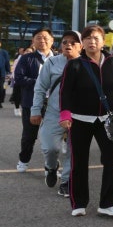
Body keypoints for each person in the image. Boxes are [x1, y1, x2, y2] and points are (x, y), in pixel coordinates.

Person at [59, 25, 113, 217]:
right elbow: (65, 91)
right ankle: (78, 202)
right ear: (83, 43)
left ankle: (107, 203)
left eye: (95, 38)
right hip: (80, 120)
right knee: (79, 161)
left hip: (107, 120)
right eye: (87, 38)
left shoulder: (112, 63)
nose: (91, 41)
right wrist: (65, 114)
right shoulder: (75, 64)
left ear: (103, 42)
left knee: (112, 159)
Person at [30, 31, 83, 195]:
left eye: (73, 42)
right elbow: (40, 88)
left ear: (81, 46)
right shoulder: (52, 63)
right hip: (54, 113)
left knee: (74, 151)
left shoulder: (87, 64)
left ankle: (66, 182)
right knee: (50, 148)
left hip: (79, 115)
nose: (68, 45)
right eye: (65, 42)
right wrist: (35, 110)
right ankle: (51, 167)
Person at [14, 27, 55, 172]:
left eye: (45, 37)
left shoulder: (58, 59)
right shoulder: (27, 58)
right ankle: (24, 160)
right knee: (29, 135)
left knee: (51, 137)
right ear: (33, 41)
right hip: (31, 102)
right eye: (38, 37)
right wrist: (39, 82)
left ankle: (49, 166)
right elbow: (18, 78)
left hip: (53, 104)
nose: (42, 40)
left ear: (52, 40)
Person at [0, 40, 10, 108]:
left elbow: (7, 63)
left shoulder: (4, 52)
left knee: (1, 88)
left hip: (1, 74)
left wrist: (8, 72)